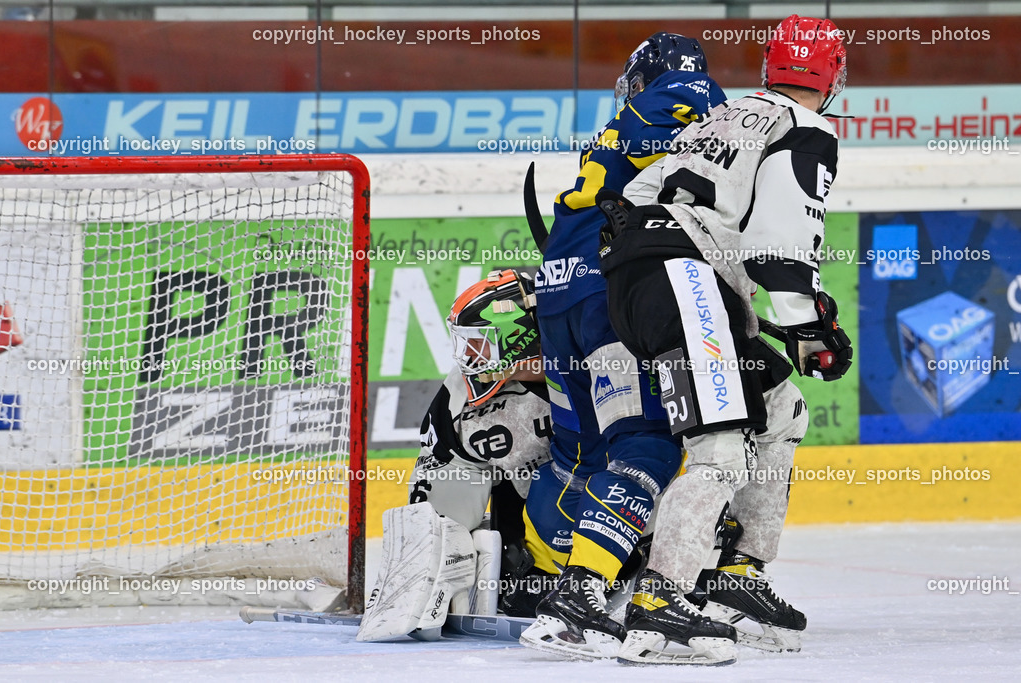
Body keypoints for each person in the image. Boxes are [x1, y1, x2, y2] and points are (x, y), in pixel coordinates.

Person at [593, 15, 852, 665]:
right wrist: (811, 328)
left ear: (771, 69)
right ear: (834, 76)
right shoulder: (808, 127)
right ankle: (662, 598)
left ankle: (736, 576)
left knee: (779, 403)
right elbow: (779, 251)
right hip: (685, 276)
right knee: (719, 447)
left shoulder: (724, 114)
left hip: (640, 276)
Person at [519, 34, 727, 659]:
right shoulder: (698, 94)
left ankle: (553, 579)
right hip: (613, 291)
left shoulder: (617, 127)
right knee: (646, 442)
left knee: (580, 457)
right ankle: (579, 599)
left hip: (559, 290)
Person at [357, 269, 554, 642]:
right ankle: (531, 581)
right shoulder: (460, 395)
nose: (469, 356)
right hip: (537, 532)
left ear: (520, 336)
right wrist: (426, 562)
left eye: (479, 342)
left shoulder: (599, 364)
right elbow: (440, 482)